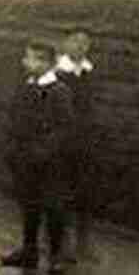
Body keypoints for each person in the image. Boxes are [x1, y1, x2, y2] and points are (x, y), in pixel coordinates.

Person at [0, 39, 74, 274]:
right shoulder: (25, 87)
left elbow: (63, 128)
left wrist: (43, 151)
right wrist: (13, 148)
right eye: (27, 56)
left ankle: (55, 255)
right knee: (28, 205)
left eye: (32, 58)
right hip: (24, 159)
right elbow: (14, 119)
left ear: (47, 63)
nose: (26, 61)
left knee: (53, 208)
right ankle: (29, 251)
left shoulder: (59, 91)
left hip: (50, 163)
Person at [55, 27, 96, 262]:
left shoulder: (89, 71)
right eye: (76, 41)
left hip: (84, 141)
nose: (81, 46)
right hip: (62, 142)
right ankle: (63, 244)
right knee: (62, 191)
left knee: (84, 192)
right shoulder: (59, 72)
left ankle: (83, 243)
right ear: (65, 43)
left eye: (85, 42)